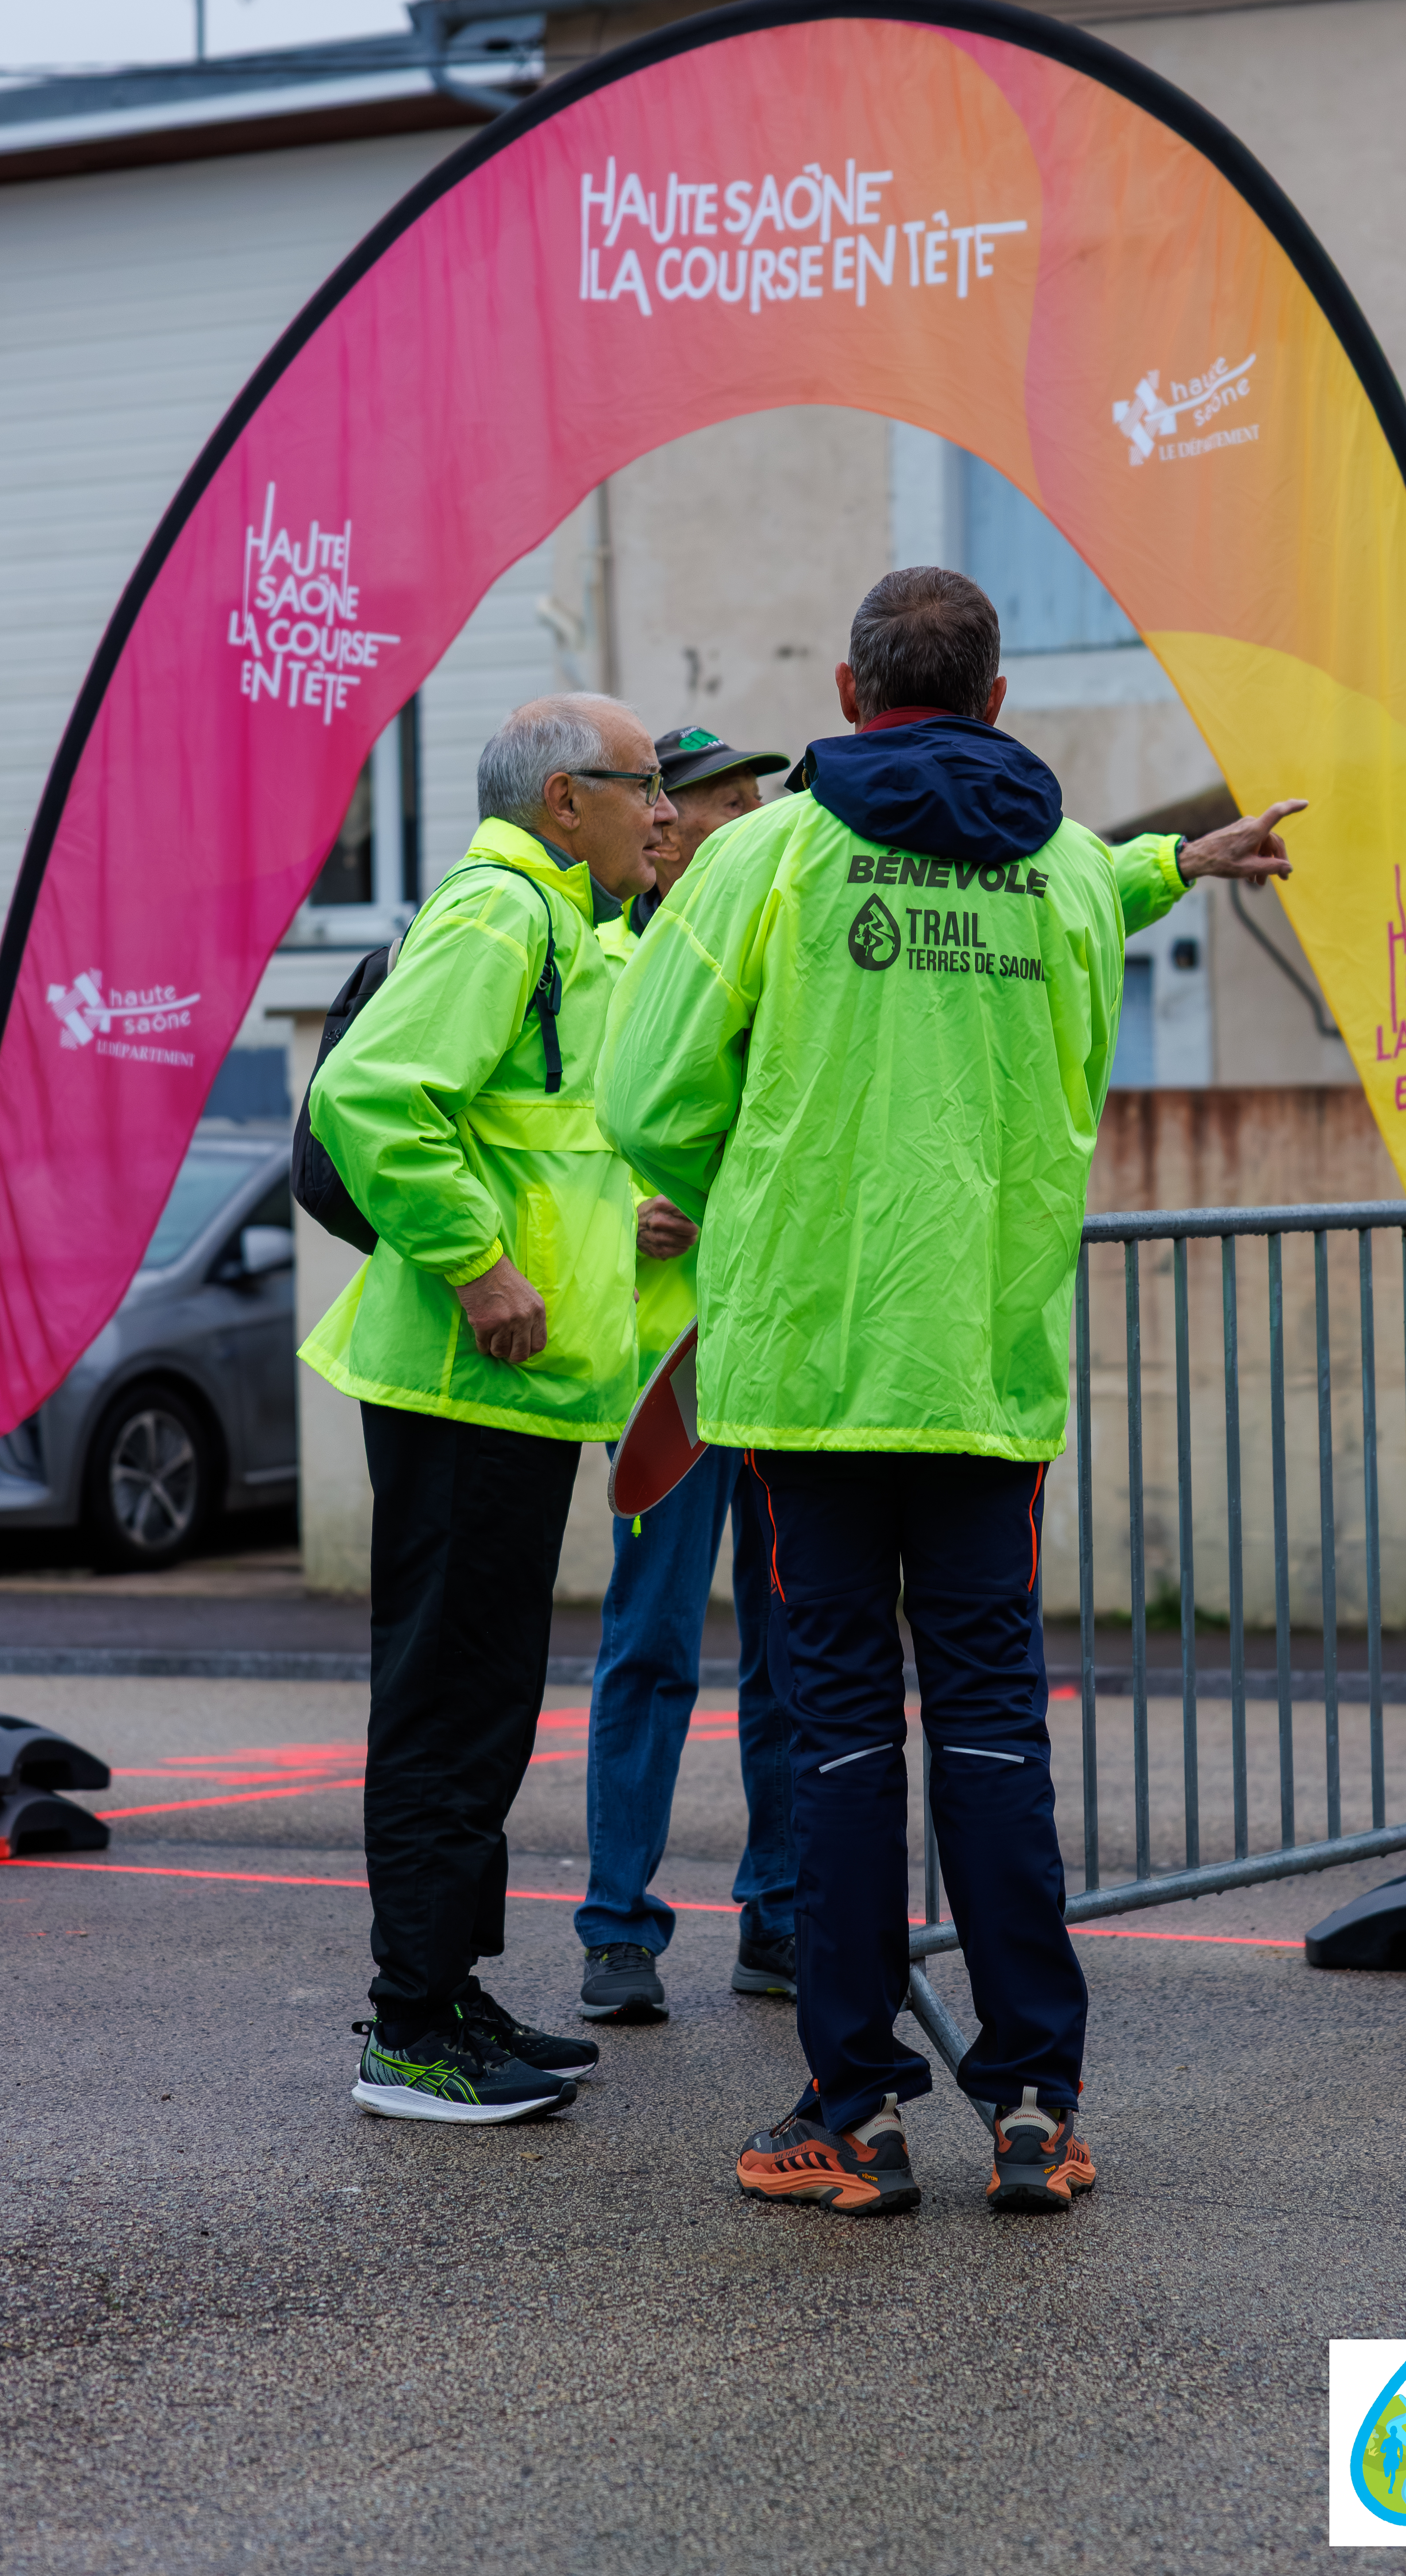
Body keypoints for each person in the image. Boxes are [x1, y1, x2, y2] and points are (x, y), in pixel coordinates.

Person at [598, 570, 1304, 2213]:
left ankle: (853, 2112)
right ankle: (1037, 2102)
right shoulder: (1057, 869)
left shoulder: (769, 856)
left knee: (839, 1731)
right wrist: (1170, 862)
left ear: (847, 692)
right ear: (995, 701)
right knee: (993, 1730)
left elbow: (643, 1090)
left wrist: (755, 1194)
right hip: (988, 1375)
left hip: (816, 1372)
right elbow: (1096, 903)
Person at [303, 693, 676, 2126]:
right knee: (448, 1705)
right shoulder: (499, 913)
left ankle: (448, 1991)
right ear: (561, 800)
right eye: (640, 784)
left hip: (511, 1395)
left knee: (484, 1703)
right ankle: (409, 2029)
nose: (662, 810)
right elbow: (373, 1094)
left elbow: (535, 1139)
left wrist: (603, 1221)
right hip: (463, 1384)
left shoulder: (567, 931)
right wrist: (477, 1265)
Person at [575, 724, 800, 2026]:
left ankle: (774, 1917)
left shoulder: (774, 956)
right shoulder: (609, 962)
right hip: (668, 1369)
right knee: (652, 1649)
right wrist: (628, 1219)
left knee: (786, 1653)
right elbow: (574, 1155)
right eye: (726, 807)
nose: (749, 826)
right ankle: (618, 1931)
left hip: (769, 1347)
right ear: (665, 825)